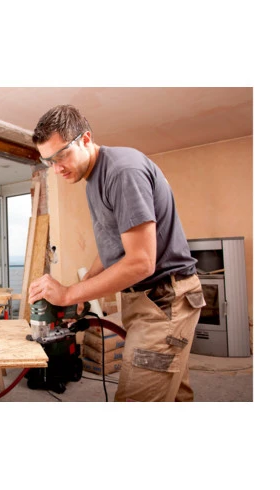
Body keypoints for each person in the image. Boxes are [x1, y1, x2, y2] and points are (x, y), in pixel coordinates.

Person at [28, 104, 206, 402]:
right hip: (148, 299)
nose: (56, 169)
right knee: (174, 395)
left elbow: (141, 262)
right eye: (48, 161)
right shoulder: (93, 179)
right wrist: (83, 288)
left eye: (61, 156)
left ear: (86, 139)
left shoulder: (123, 172)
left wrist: (68, 294)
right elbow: (114, 247)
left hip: (164, 301)